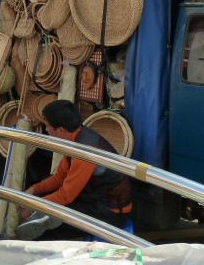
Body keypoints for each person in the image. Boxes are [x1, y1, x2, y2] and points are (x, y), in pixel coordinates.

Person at [15, 100, 132, 240]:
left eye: (47, 126)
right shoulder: (75, 136)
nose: (46, 130)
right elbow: (59, 178)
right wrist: (33, 190)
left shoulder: (84, 151)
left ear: (61, 130)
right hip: (93, 199)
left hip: (110, 212)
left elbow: (66, 195)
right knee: (42, 205)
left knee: (47, 229)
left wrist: (33, 207)